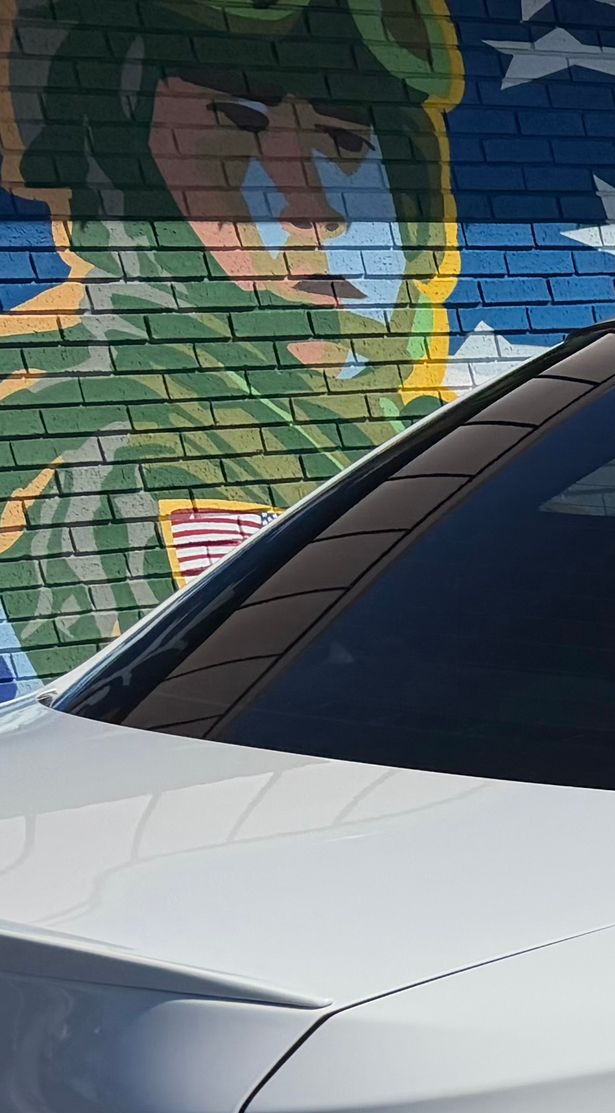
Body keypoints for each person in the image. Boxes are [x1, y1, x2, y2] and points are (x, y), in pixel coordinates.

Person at [0, 0, 459, 691]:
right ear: (124, 177)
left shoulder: (409, 436)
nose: (317, 211)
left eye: (346, 141)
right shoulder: (138, 467)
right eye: (239, 128)